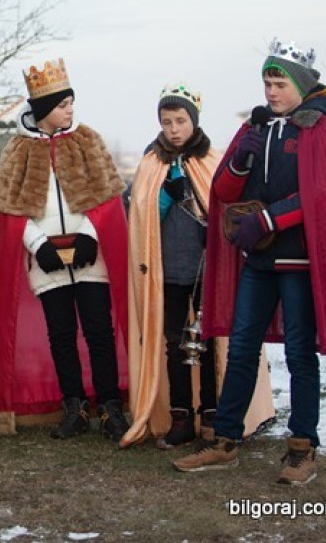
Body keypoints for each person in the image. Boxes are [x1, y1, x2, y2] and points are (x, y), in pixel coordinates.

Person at [173, 39, 326, 484]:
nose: (270, 92)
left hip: (299, 259)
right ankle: (224, 441)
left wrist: (268, 218)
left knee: (299, 354)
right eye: (266, 83)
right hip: (258, 261)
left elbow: (318, 192)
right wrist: (243, 157)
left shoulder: (317, 126)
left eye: (279, 83)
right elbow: (222, 192)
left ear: (300, 85)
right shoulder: (256, 128)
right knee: (241, 348)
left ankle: (302, 446)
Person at [120, 84, 274, 449]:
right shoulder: (150, 163)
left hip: (206, 269)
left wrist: (212, 231)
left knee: (205, 340)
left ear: (194, 120)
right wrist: (163, 197)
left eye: (180, 120)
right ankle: (179, 416)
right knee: (173, 343)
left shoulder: (212, 161)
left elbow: (225, 210)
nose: (173, 129)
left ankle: (211, 412)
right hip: (167, 270)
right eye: (166, 121)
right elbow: (139, 215)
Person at [0, 57, 130, 440]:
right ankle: (74, 405)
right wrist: (37, 244)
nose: (70, 111)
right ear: (44, 109)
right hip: (46, 258)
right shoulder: (17, 151)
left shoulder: (88, 140)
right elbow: (10, 206)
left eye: (71, 104)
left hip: (89, 256)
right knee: (61, 333)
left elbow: (106, 194)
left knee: (99, 330)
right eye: (63, 105)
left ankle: (111, 405)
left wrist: (88, 235)